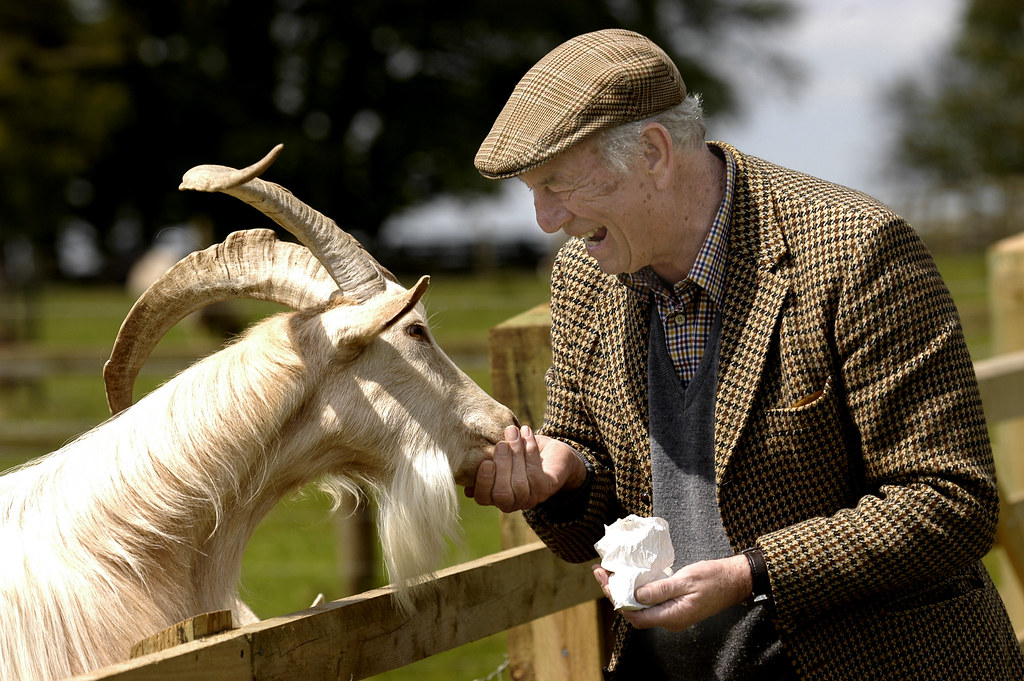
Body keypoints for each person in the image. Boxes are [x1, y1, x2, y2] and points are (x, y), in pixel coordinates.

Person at [467, 28, 1024, 680]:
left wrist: (750, 574)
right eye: (534, 190)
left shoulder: (859, 251)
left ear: (653, 151)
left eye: (558, 184)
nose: (544, 218)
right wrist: (567, 480)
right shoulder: (582, 276)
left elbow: (950, 502)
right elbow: (587, 523)